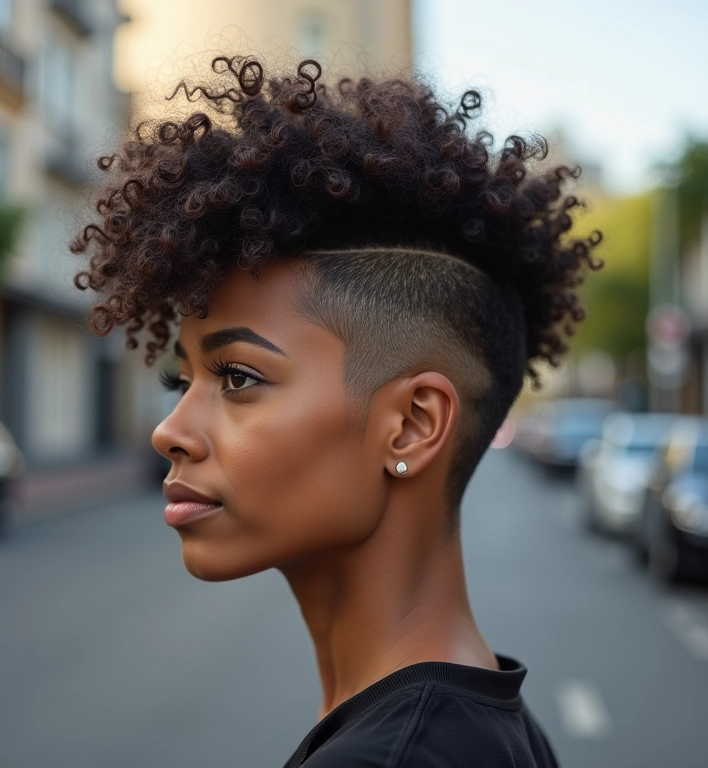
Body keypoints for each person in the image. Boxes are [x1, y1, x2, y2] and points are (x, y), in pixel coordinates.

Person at [72, 55, 601, 767]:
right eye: (182, 378)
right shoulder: (486, 725)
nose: (171, 431)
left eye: (237, 377)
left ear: (412, 425)